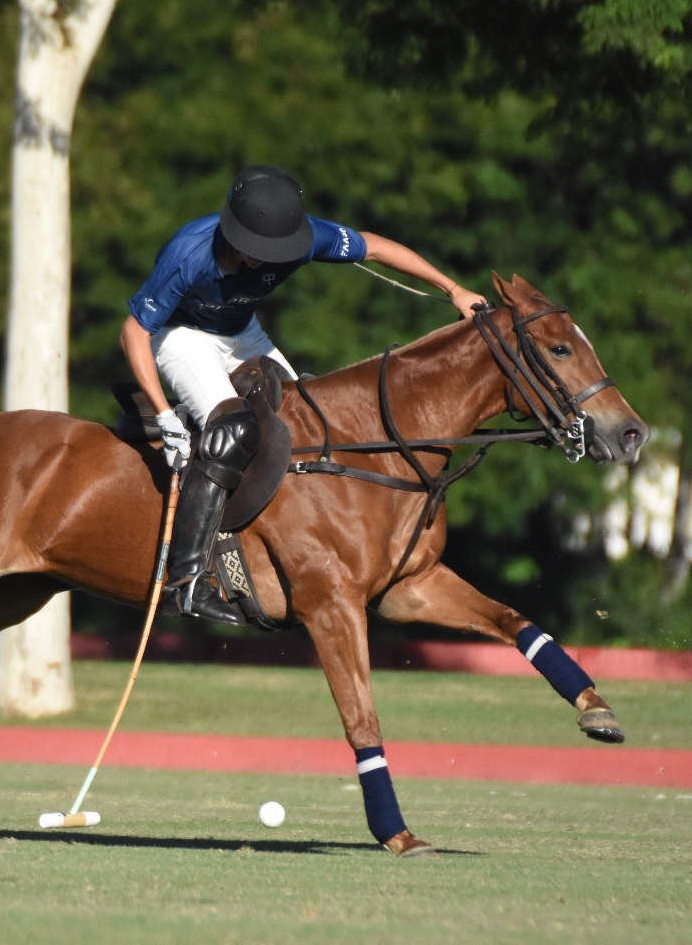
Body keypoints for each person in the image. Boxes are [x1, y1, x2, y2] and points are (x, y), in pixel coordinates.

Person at [120, 165, 488, 624]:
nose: (270, 259)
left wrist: (453, 289)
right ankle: (188, 579)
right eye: (260, 251)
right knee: (232, 430)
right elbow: (134, 331)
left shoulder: (302, 236)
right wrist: (165, 416)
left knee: (307, 423)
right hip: (182, 336)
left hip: (241, 333)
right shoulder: (188, 253)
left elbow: (375, 247)